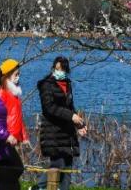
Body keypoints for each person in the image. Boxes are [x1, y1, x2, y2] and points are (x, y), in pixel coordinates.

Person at [37, 56, 85, 190]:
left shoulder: (67, 84)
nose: (60, 72)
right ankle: (38, 187)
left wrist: (79, 124)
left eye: (63, 69)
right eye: (57, 69)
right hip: (52, 132)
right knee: (58, 164)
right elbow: (49, 107)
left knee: (67, 169)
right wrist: (71, 116)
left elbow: (71, 107)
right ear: (53, 68)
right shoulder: (46, 85)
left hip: (67, 133)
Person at [0, 59, 29, 190]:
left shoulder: (14, 93)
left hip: (12, 137)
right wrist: (6, 135)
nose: (18, 77)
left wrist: (24, 136)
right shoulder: (1, 93)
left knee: (7, 172)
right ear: (7, 75)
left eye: (19, 74)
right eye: (16, 74)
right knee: (15, 169)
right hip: (4, 138)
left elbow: (18, 117)